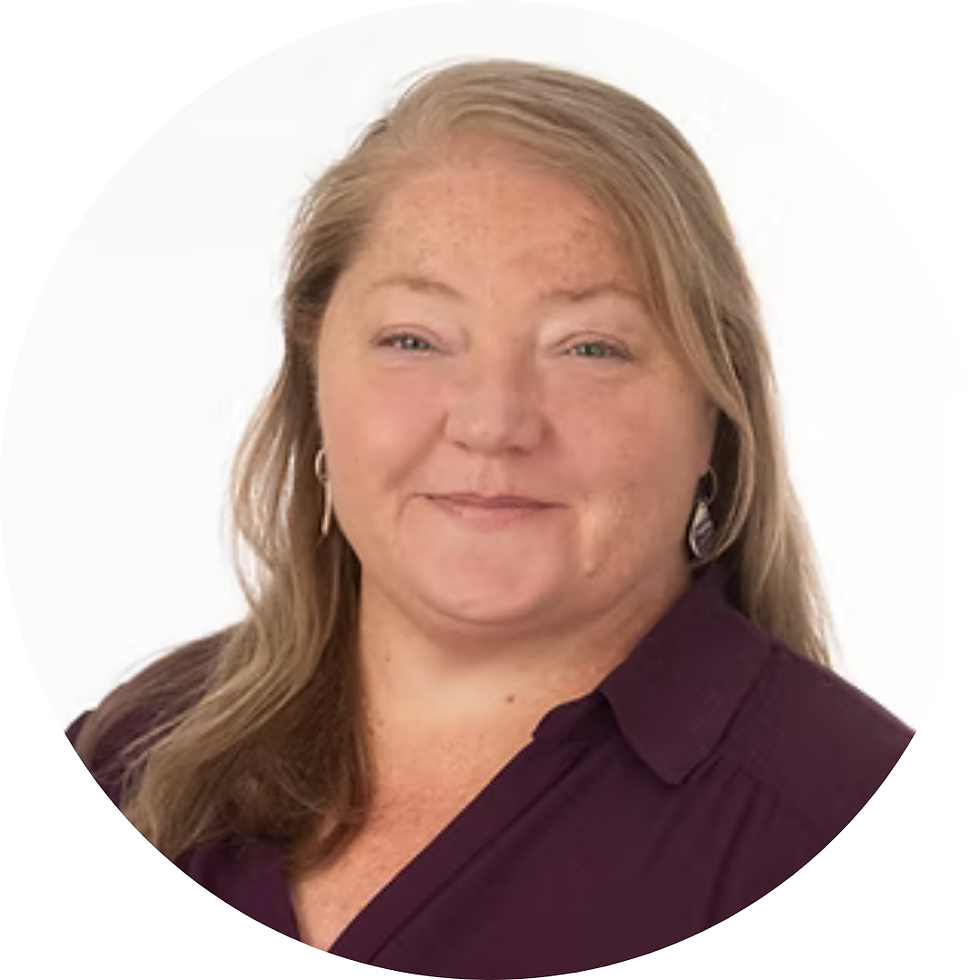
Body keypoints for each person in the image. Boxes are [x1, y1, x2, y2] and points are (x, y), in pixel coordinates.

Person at [67, 59, 912, 978]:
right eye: (413, 340)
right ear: (315, 374)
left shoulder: (859, 829)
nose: (492, 422)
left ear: (716, 405)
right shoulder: (131, 752)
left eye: (591, 347)